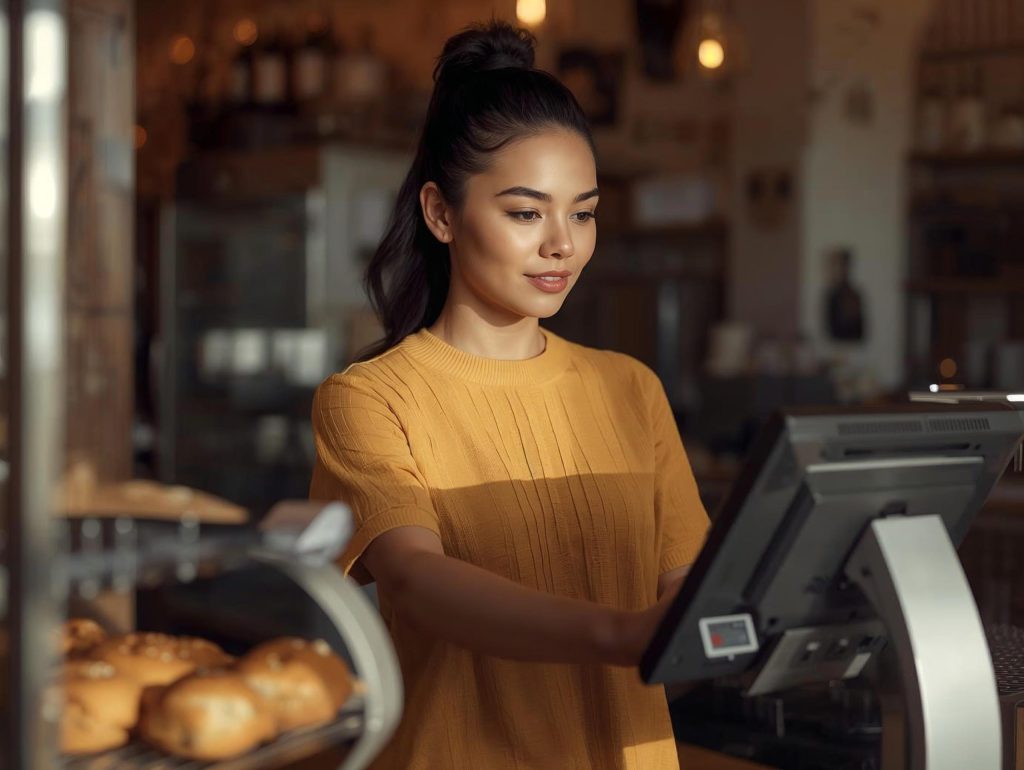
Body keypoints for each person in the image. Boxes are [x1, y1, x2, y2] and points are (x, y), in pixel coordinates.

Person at [309, 20, 709, 770]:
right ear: (441, 213)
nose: (563, 244)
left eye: (583, 213)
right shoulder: (368, 398)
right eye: (526, 213)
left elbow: (692, 596)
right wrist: (620, 636)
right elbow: (416, 581)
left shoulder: (631, 390)